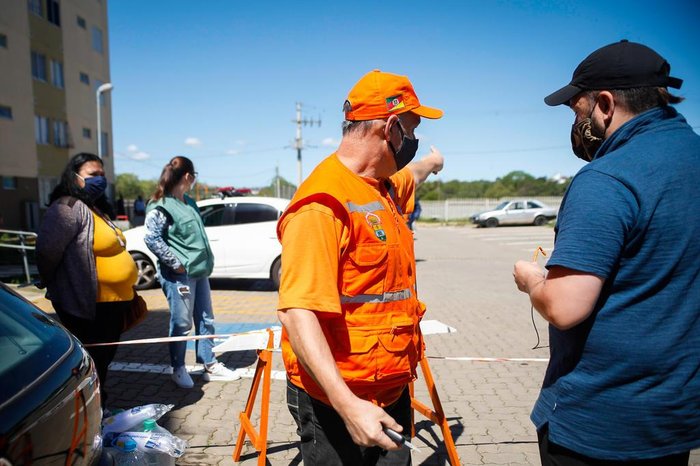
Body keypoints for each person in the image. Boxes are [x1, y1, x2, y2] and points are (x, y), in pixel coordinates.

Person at [513, 40, 700, 465]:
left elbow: (564, 306)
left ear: (605, 103)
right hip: (675, 417)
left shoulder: (607, 178)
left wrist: (532, 280)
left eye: (578, 111)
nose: (578, 123)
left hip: (599, 424)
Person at [277, 69, 444, 465]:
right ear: (390, 128)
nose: (414, 144)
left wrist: (434, 163)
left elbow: (413, 175)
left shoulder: (382, 185)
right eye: (412, 130)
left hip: (390, 388)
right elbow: (297, 313)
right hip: (337, 400)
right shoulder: (323, 204)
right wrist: (348, 407)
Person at [36, 152, 138, 408]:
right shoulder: (66, 207)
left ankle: (97, 404)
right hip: (87, 306)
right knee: (92, 361)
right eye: (93, 175)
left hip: (112, 305)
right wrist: (54, 283)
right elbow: (47, 251)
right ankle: (87, 410)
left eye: (103, 175)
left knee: (102, 361)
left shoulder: (95, 208)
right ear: (75, 177)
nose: (100, 180)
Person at [144, 156, 239, 389]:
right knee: (181, 324)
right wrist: (175, 264)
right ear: (188, 176)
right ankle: (178, 368)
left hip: (199, 271)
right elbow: (151, 238)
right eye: (194, 176)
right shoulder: (161, 205)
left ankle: (209, 363)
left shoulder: (189, 202)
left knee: (206, 319)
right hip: (180, 275)